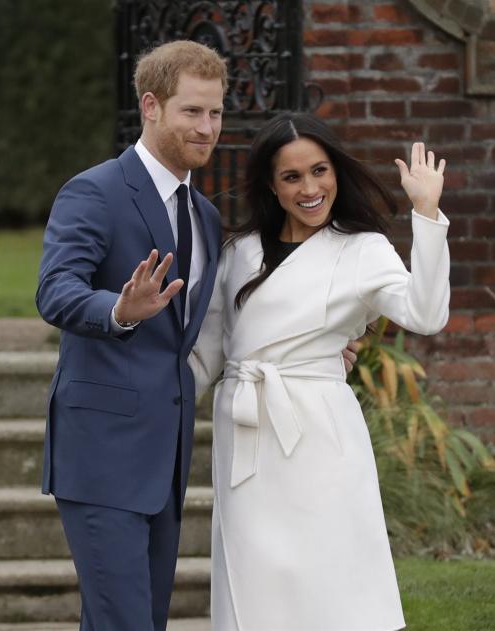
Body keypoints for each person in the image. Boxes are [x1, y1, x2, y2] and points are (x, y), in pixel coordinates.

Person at [189, 112, 450, 631]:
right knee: (257, 582)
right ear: (271, 183)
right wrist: (143, 398)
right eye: (292, 176)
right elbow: (206, 359)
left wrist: (427, 211)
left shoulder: (362, 249)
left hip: (320, 435)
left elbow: (426, 314)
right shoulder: (237, 253)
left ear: (336, 173)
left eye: (320, 171)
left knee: (332, 575)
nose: (310, 188)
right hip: (247, 436)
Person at [36, 40, 227, 631]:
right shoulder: (94, 190)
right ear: (151, 106)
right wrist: (119, 310)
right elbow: (55, 289)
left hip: (163, 462)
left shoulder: (206, 215)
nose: (207, 127)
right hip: (100, 455)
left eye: (216, 112)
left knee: (138, 620)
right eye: (192, 111)